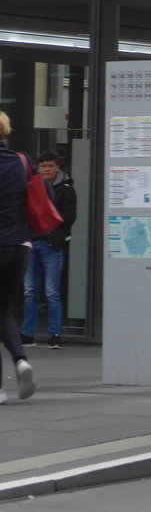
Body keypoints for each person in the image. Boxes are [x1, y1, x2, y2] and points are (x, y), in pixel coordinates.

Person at [21, 151, 76, 348]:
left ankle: (54, 333)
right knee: (30, 291)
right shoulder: (30, 187)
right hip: (32, 242)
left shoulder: (66, 189)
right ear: (38, 168)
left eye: (50, 166)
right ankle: (27, 334)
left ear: (57, 167)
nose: (46, 169)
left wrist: (46, 215)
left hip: (53, 244)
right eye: (43, 166)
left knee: (52, 292)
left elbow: (70, 216)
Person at [0, 111, 36, 403]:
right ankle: (21, 360)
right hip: (20, 247)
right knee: (3, 309)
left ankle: (0, 387)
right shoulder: (21, 161)